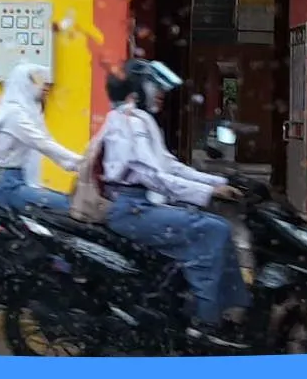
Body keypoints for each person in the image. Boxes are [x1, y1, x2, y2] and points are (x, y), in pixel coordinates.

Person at [98, 59, 252, 348]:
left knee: (215, 227)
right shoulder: (130, 121)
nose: (160, 92)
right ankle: (205, 324)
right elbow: (153, 175)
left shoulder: (138, 119)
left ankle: (228, 313)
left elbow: (171, 166)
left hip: (141, 205)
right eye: (153, 86)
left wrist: (215, 183)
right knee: (213, 231)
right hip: (132, 209)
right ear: (136, 89)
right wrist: (206, 193)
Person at [0, 62, 81, 213]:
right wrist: (81, 162)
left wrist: (74, 165)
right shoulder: (14, 114)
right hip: (8, 184)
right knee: (67, 206)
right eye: (37, 82)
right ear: (24, 84)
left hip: (16, 179)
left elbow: (47, 141)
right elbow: (43, 144)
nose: (45, 87)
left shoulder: (28, 112)